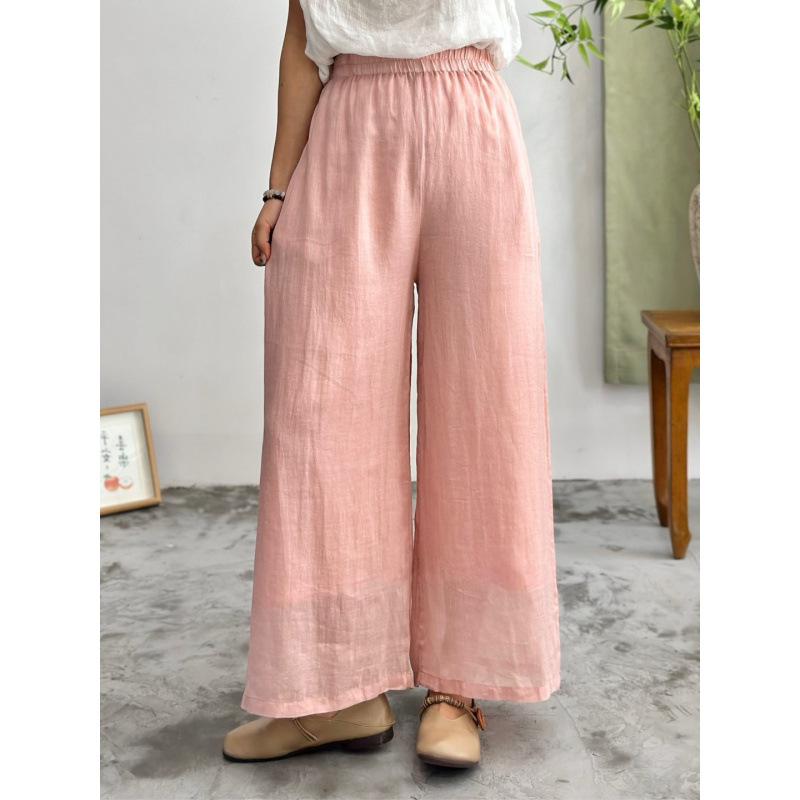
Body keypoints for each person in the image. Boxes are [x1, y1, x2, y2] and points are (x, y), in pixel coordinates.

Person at [223, 0, 561, 770]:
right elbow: (302, 36)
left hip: (469, 114)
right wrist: (277, 190)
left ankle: (459, 682)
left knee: (486, 408)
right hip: (350, 124)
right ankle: (338, 690)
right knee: (321, 418)